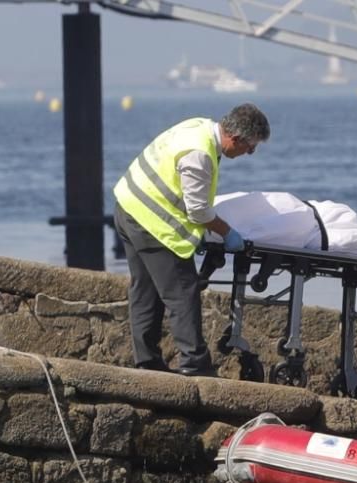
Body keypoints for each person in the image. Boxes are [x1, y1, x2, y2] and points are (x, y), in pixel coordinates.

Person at [113, 103, 270, 376]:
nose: (251, 153)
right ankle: (196, 365)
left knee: (145, 291)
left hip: (128, 205)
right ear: (236, 138)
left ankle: (148, 363)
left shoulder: (197, 127)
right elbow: (197, 209)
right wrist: (227, 233)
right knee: (183, 294)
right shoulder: (200, 154)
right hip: (151, 223)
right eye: (251, 146)